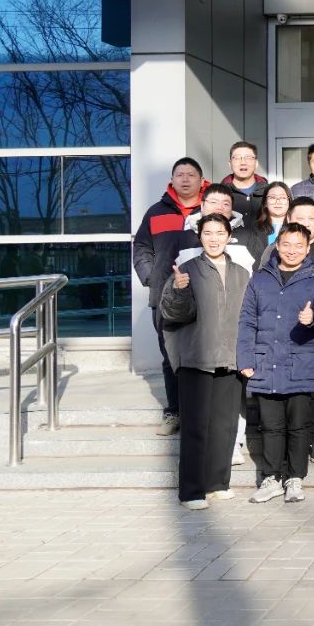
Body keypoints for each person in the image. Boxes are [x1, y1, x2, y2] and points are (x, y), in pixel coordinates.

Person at [237, 223, 314, 504]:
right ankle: (271, 477)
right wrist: (245, 358)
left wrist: (313, 317)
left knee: (299, 426)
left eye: (298, 245)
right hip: (265, 362)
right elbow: (247, 320)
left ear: (308, 247)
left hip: (300, 363)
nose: (292, 250)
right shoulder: (260, 279)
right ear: (277, 246)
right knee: (270, 426)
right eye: (287, 244)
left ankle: (295, 478)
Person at [159, 213, 250, 510]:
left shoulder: (241, 273)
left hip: (230, 358)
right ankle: (191, 491)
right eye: (208, 233)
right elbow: (172, 315)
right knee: (196, 427)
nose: (214, 238)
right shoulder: (186, 270)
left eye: (219, 233)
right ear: (199, 237)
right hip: (196, 358)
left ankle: (217, 483)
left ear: (229, 236)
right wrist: (179, 290)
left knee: (224, 426)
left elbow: (248, 317)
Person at [260, 197, 314, 464]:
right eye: (300, 218)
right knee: (287, 390)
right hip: (284, 333)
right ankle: (287, 442)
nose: (306, 223)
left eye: (311, 218)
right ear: (288, 219)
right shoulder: (274, 249)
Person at [133, 156, 206, 437]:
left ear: (201, 180)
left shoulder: (210, 208)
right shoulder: (155, 212)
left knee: (204, 354)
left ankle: (200, 411)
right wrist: (151, 278)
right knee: (171, 355)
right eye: (180, 174)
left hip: (202, 294)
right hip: (165, 297)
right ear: (172, 180)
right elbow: (141, 247)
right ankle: (174, 411)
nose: (185, 179)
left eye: (191, 174)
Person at [178, 185, 262, 272]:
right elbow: (171, 274)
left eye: (225, 204)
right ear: (202, 205)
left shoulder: (247, 237)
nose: (219, 207)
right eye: (213, 202)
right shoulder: (182, 238)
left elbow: (260, 272)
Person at [215, 140, 268, 227]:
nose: (243, 162)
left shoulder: (268, 193)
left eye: (248, 157)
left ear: (256, 163)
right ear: (230, 164)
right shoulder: (220, 194)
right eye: (237, 158)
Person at [255, 182, 291, 250]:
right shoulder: (254, 229)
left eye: (282, 198)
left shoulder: (298, 228)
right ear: (265, 202)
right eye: (272, 198)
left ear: (289, 201)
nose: (278, 202)